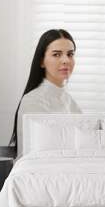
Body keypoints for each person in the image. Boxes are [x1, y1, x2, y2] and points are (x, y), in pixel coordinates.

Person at [10, 29, 82, 158]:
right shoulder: (33, 101)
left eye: (70, 54)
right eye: (57, 54)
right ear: (41, 61)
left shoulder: (70, 102)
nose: (66, 60)